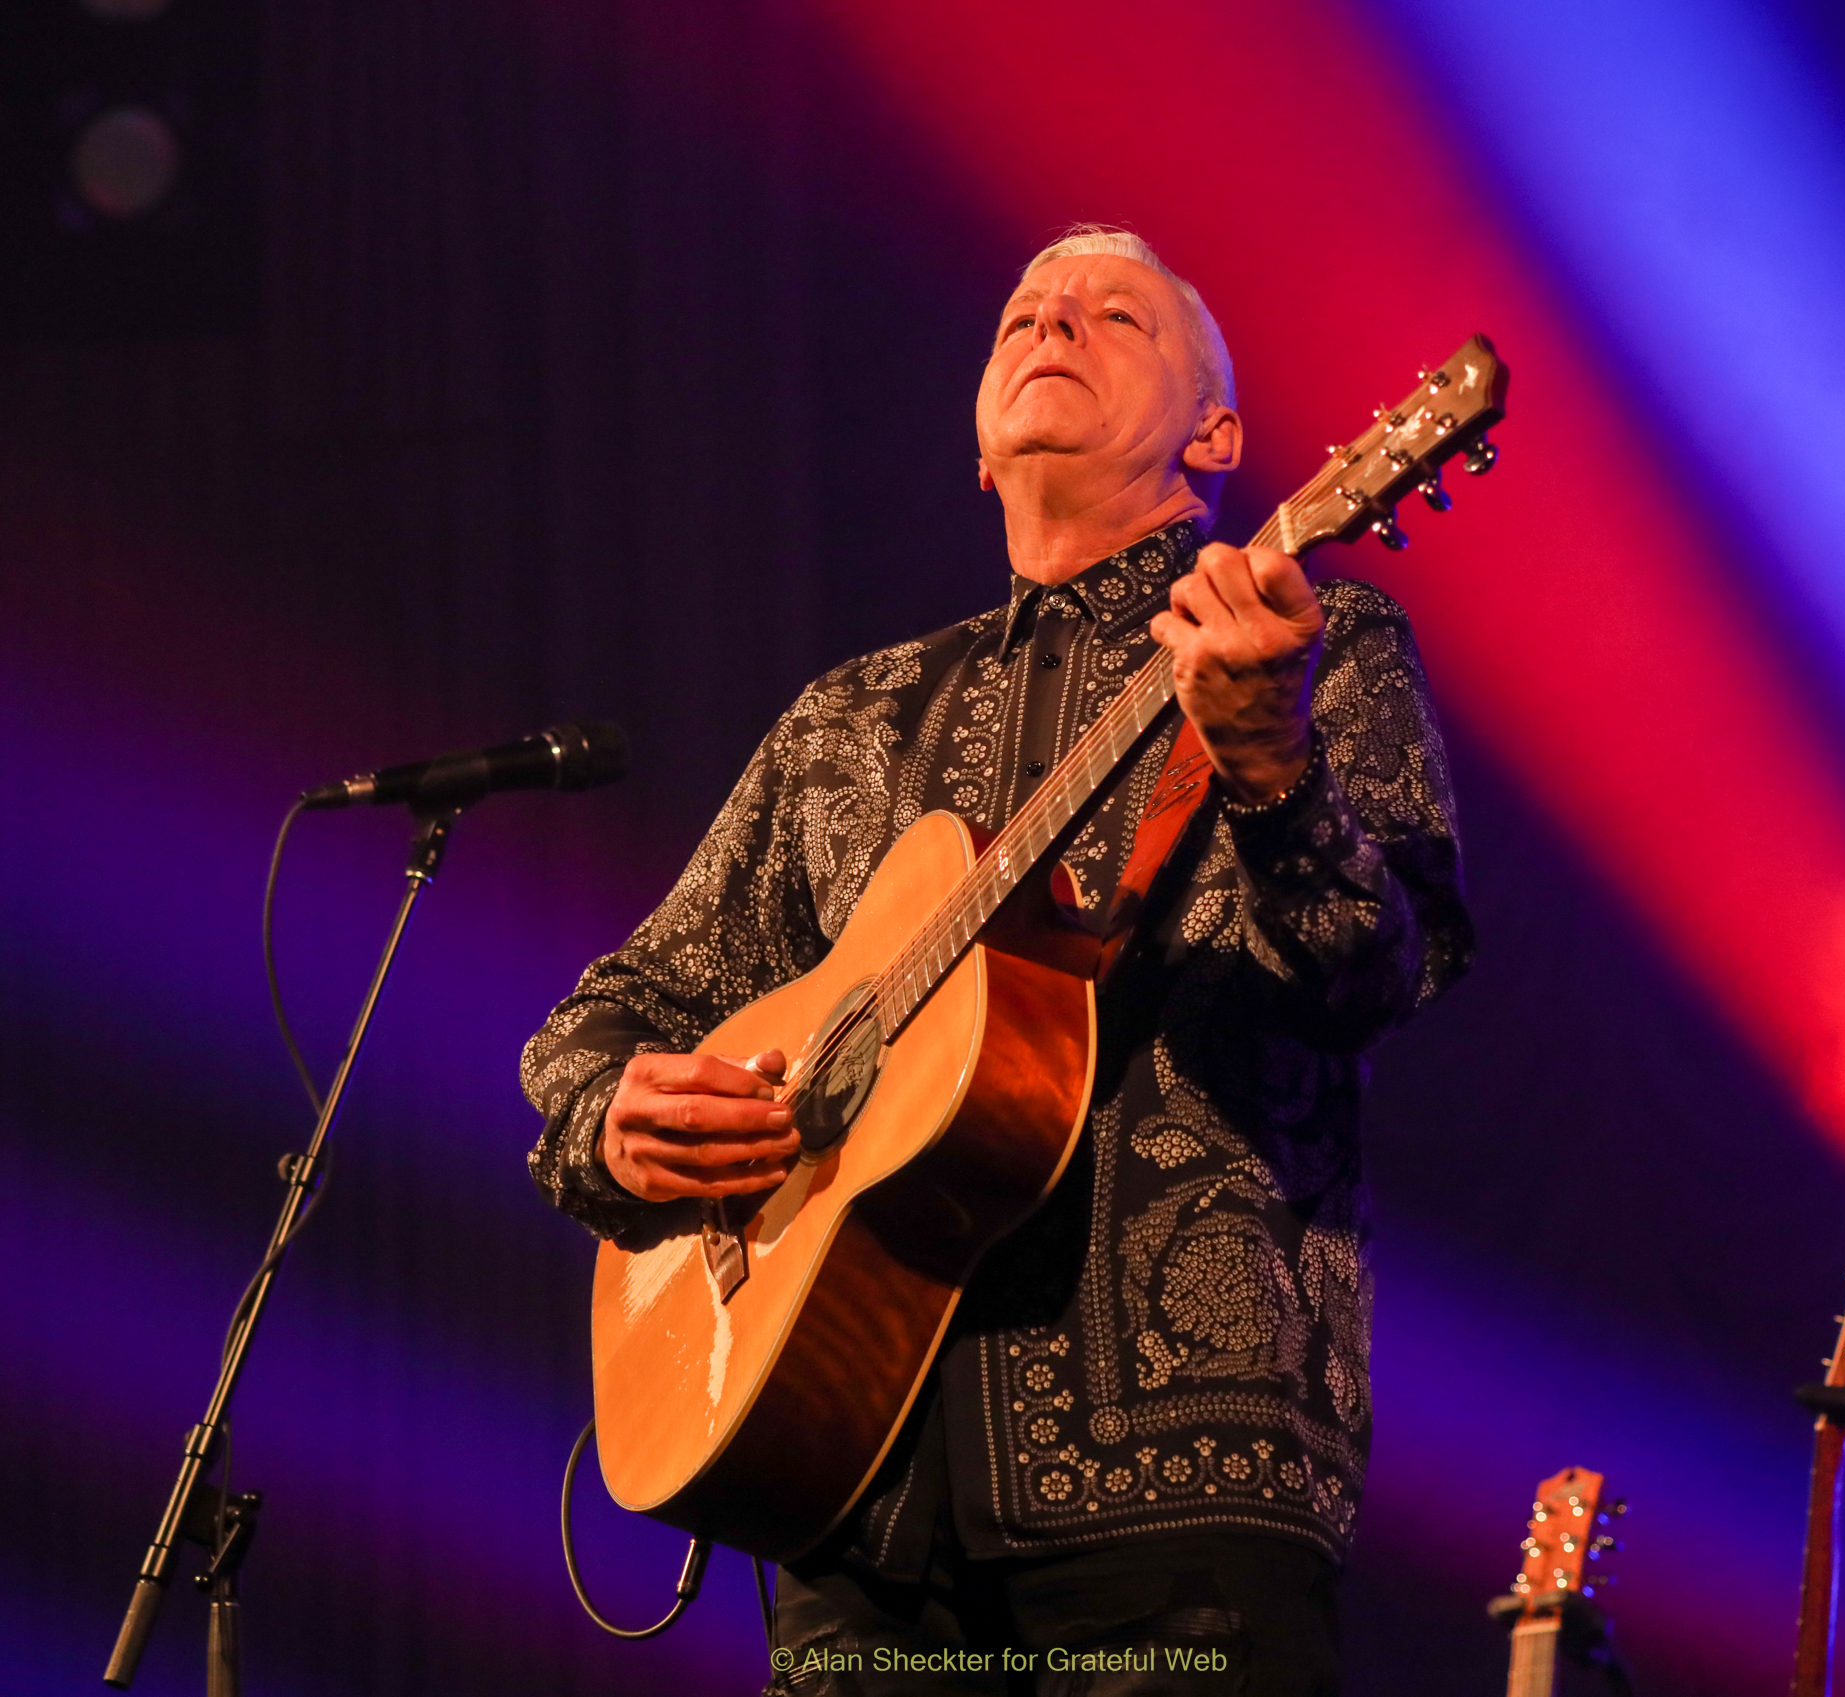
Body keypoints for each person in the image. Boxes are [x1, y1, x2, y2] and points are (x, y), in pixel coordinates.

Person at [522, 226, 1471, 1695]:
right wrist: (616, 1122)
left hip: (1180, 1487)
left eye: (1115, 317)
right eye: (1027, 310)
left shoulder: (1316, 635)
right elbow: (617, 1008)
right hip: (856, 1500)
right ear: (977, 446)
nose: (1053, 323)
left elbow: (1372, 969)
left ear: (1217, 433)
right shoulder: (854, 717)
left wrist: (1271, 759)